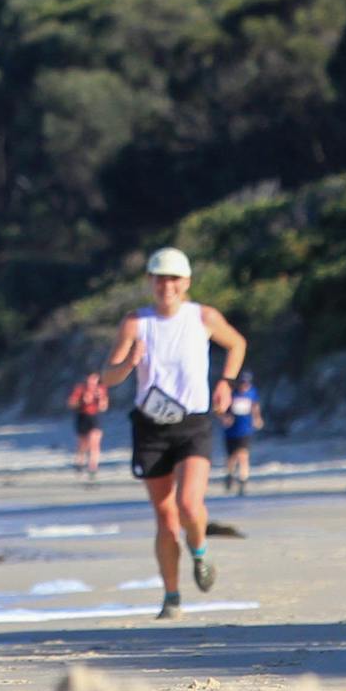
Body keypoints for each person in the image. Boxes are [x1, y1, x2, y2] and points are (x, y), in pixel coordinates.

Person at [99, 247, 247, 621]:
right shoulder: (136, 322)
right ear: (150, 281)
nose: (167, 286)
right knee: (165, 519)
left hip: (192, 424)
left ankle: (199, 552)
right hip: (149, 427)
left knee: (188, 506)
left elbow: (237, 344)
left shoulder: (203, 317)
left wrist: (226, 383)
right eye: (160, 278)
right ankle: (172, 596)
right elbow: (108, 376)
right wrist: (129, 363)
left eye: (174, 279)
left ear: (187, 283)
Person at [219, 370, 263, 496]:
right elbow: (220, 409)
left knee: (243, 456)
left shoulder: (252, 392)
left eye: (247, 383)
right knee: (231, 458)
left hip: (246, 430)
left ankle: (243, 482)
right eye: (243, 383)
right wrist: (224, 418)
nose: (245, 386)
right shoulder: (232, 393)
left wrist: (257, 418)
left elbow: (255, 406)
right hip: (231, 431)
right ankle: (229, 475)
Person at [66, 371, 109, 481]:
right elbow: (71, 403)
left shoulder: (101, 389)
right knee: (83, 444)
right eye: (90, 379)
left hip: (95, 417)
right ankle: (79, 463)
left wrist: (101, 400)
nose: (92, 382)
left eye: (94, 379)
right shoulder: (80, 388)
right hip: (83, 416)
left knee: (95, 441)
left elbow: (104, 407)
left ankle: (93, 467)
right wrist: (82, 401)